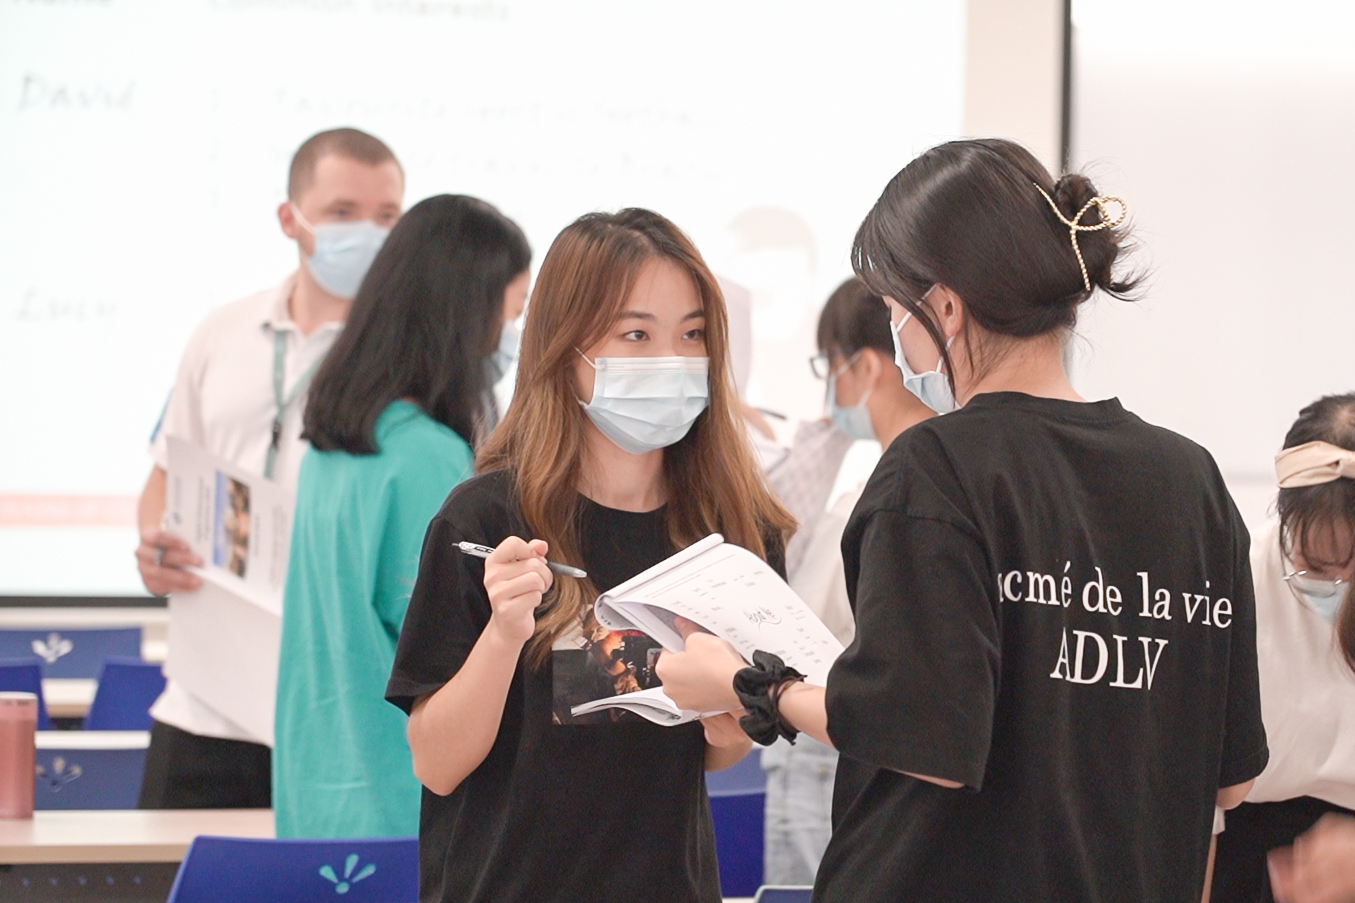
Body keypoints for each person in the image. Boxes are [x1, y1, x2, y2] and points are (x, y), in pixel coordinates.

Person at [658, 137, 1269, 903]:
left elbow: (922, 736)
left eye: (894, 311)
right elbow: (1230, 780)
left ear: (944, 307)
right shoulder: (1191, 481)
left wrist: (749, 684)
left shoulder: (935, 468)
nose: (897, 338)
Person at [384, 208, 795, 903]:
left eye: (692, 334)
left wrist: (731, 712)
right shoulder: (485, 519)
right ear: (564, 346)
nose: (671, 359)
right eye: (635, 334)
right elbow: (437, 763)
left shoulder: (734, 529)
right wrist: (503, 632)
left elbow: (716, 752)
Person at [134, 128, 404, 809]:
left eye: (386, 216)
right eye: (343, 212)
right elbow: (167, 472)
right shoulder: (221, 333)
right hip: (205, 707)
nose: (368, 233)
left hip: (344, 715)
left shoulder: (414, 361)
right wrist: (154, 544)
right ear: (291, 218)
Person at [272, 195, 530, 839]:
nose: (513, 337)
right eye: (513, 313)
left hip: (316, 789)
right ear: (465, 313)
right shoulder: (427, 458)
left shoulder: (334, 444)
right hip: (397, 797)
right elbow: (454, 650)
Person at [760, 276, 934, 886]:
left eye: (830, 365)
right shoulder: (934, 485)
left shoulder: (880, 499)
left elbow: (794, 631)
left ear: (865, 366)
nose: (830, 387)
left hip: (828, 752)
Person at [1212, 394, 1355, 902]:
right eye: (1317, 567)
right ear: (1285, 518)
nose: (1339, 589)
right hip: (1244, 845)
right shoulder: (1233, 581)